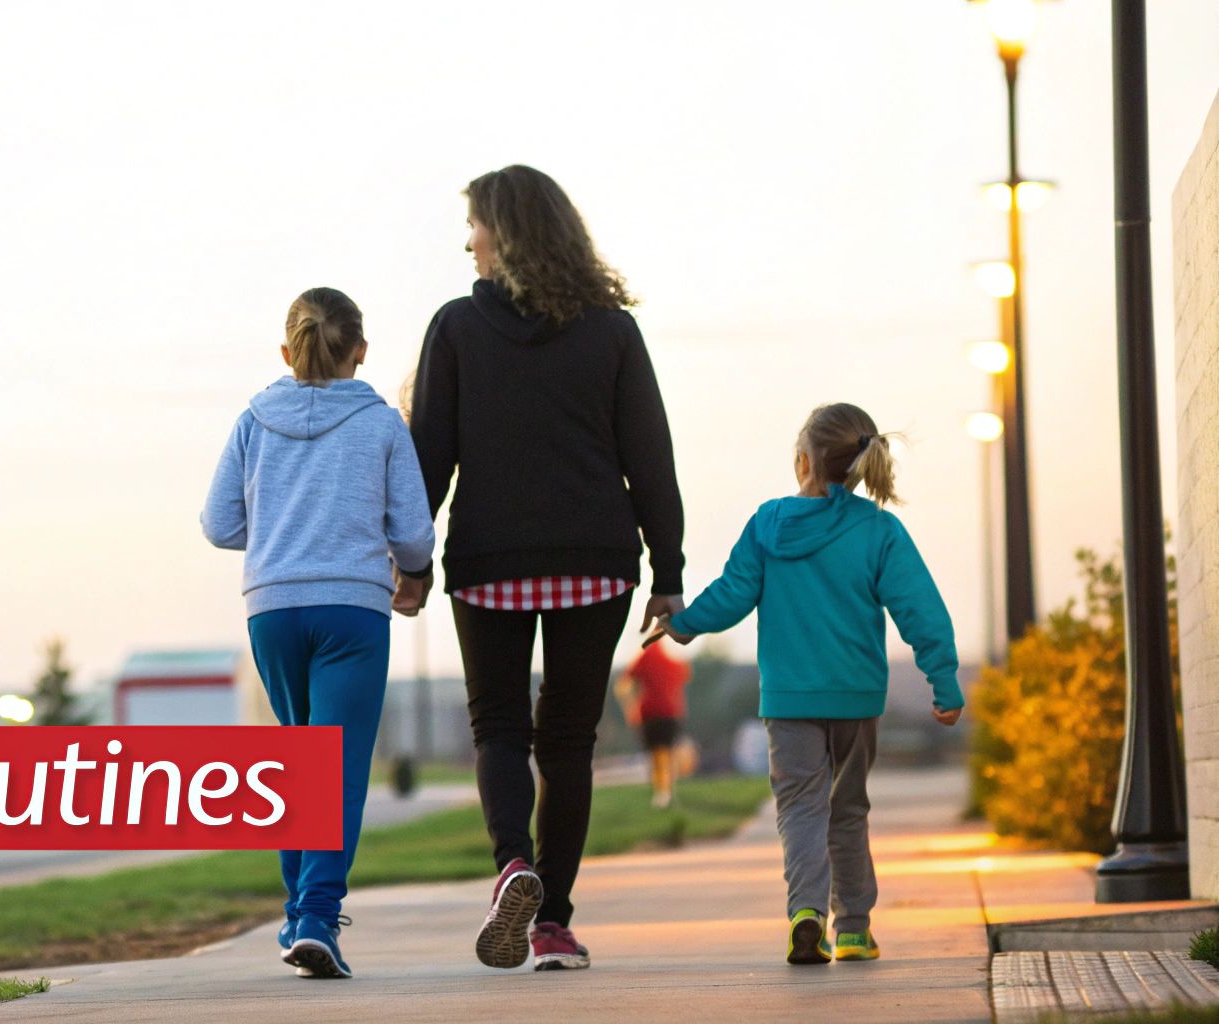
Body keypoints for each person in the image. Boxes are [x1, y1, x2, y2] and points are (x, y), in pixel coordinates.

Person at [399, 165, 686, 973]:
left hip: (489, 559)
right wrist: (668, 570)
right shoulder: (612, 331)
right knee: (568, 742)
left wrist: (412, 564)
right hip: (595, 560)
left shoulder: (454, 328)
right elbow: (649, 458)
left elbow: (431, 459)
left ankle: (511, 868)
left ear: (508, 231)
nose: (468, 242)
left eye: (476, 226)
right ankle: (553, 923)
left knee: (498, 725)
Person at [654, 402, 963, 966]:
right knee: (847, 808)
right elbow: (920, 609)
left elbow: (732, 592)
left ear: (803, 462)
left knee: (800, 807)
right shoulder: (879, 530)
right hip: (856, 696)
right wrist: (943, 681)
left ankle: (805, 914)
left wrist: (682, 624)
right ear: (860, 465)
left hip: (789, 700)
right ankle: (852, 929)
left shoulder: (768, 524)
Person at [201, 286, 435, 980]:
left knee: (298, 766)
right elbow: (414, 534)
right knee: (338, 770)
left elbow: (219, 524)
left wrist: (275, 534)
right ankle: (316, 917)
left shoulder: (253, 420)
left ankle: (299, 913)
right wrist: (412, 569)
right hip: (351, 612)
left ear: (286, 350)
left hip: (273, 609)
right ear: (360, 351)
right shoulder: (382, 423)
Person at [618, 642, 692, 809]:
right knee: (666, 752)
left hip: (651, 713)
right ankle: (666, 791)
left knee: (656, 754)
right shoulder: (670, 659)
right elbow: (684, 673)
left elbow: (623, 684)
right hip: (671, 713)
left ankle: (662, 793)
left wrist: (629, 706)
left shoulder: (645, 657)